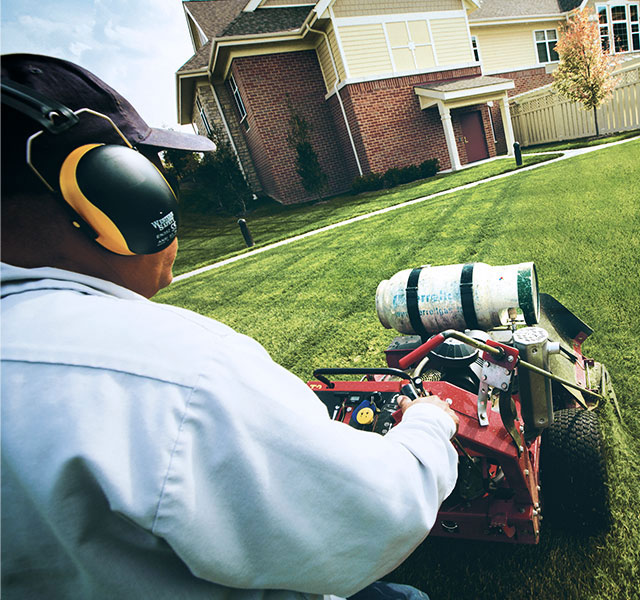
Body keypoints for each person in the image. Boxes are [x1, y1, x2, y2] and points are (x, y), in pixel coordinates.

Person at [0, 54, 459, 600]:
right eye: (150, 167)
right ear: (109, 187)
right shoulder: (177, 373)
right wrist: (427, 424)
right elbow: (378, 513)